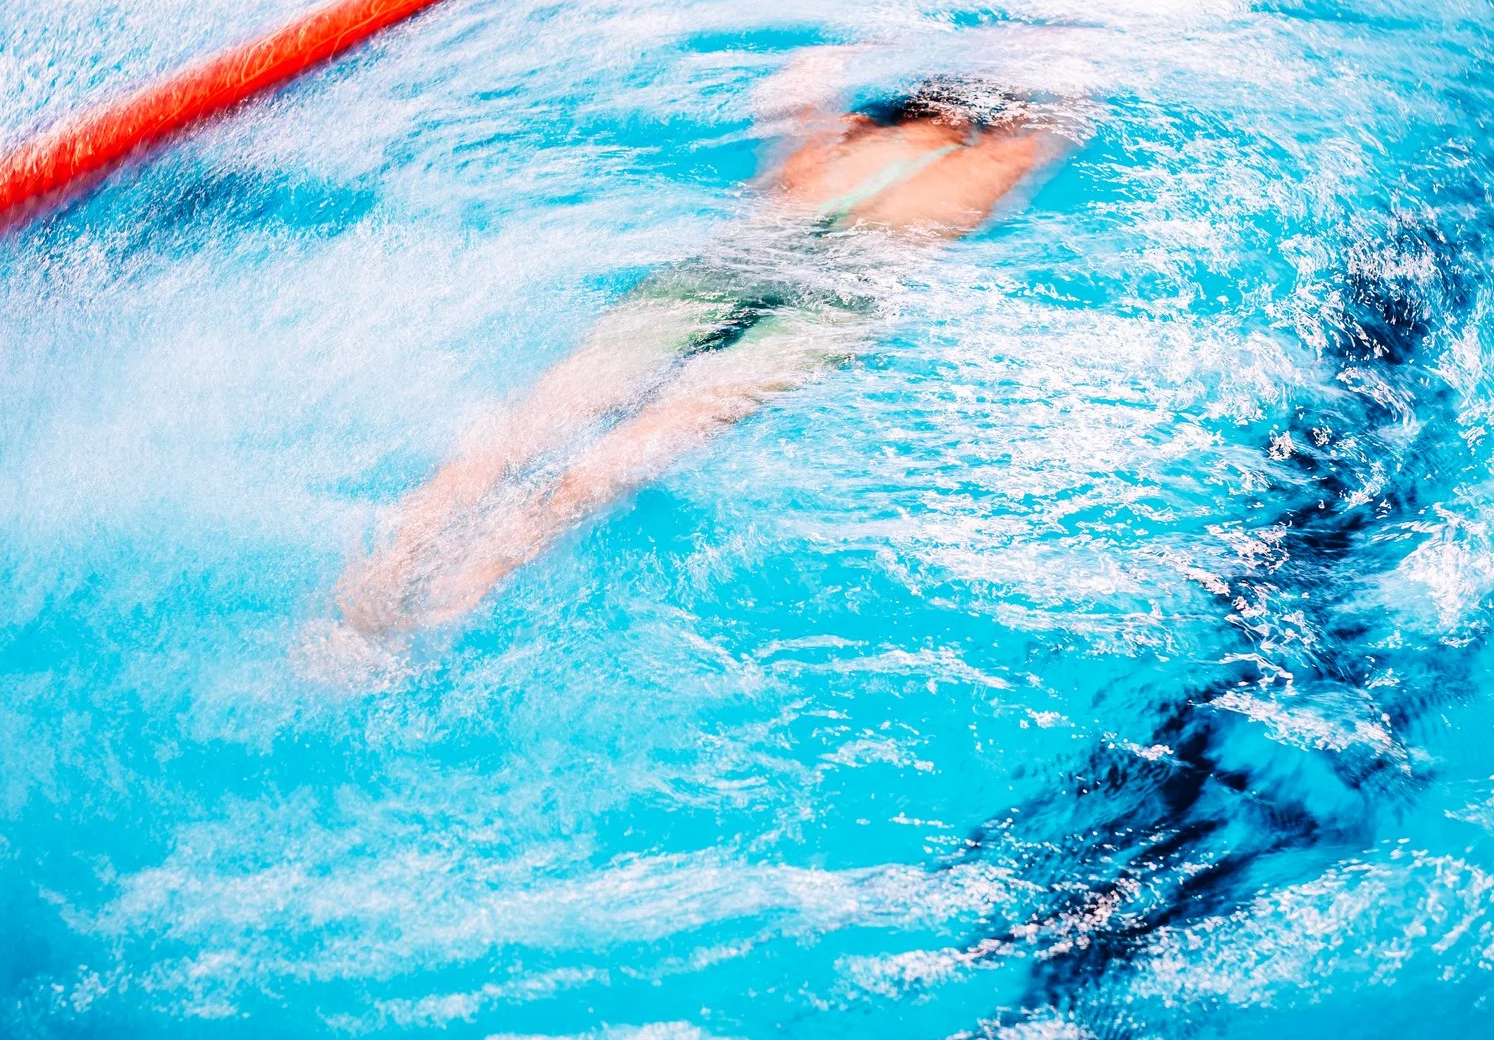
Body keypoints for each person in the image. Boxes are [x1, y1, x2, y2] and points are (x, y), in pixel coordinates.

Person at [306, 69, 1073, 670]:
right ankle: (448, 610)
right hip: (844, 294)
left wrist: (835, 80)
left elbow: (789, 102)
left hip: (757, 248)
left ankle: (368, 593)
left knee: (525, 427)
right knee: (611, 463)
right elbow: (1057, 119)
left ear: (898, 113)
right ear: (968, 127)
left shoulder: (844, 139)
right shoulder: (987, 167)